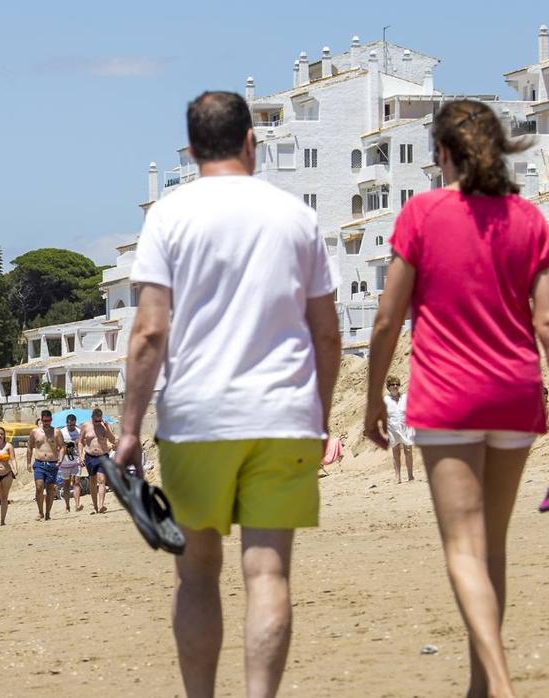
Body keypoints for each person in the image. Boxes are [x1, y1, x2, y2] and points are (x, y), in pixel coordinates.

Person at [363, 99, 549, 698]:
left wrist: (369, 399)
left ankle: (500, 683)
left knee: (463, 548)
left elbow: (387, 319)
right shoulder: (529, 219)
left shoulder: (421, 213)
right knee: (493, 547)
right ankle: (478, 688)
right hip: (516, 393)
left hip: (448, 398)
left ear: (441, 152)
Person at [115, 91, 341, 698]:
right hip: (283, 416)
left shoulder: (169, 214)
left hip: (197, 419)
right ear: (251, 141)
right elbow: (326, 331)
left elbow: (149, 330)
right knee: (268, 572)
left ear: (189, 150)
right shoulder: (296, 216)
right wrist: (318, 415)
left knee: (196, 577)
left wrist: (130, 428)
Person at [26, 410, 64, 521]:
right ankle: (40, 512)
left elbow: (62, 447)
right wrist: (28, 462)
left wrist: (60, 459)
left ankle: (47, 513)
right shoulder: (35, 432)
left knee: (50, 489)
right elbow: (29, 447)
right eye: (44, 421)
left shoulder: (56, 432)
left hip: (52, 464)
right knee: (39, 487)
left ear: (51, 420)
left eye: (48, 421)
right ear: (41, 420)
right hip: (39, 463)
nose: (47, 423)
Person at [79, 408, 117, 515]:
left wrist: (107, 428)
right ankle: (94, 506)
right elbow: (80, 441)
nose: (97, 423)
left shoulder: (105, 426)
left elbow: (113, 440)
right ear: (92, 418)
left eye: (99, 420)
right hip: (90, 456)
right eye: (96, 421)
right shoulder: (86, 426)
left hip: (103, 456)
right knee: (92, 481)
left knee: (102, 480)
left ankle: (101, 505)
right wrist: (81, 456)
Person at [384, 376, 415, 484]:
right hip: (392, 427)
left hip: (406, 426)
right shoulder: (385, 400)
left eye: (397, 384)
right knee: (396, 452)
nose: (395, 386)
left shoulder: (405, 397)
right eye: (392, 384)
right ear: (388, 387)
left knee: (408, 450)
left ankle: (410, 475)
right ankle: (398, 477)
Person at [58, 413, 84, 512]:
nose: (71, 426)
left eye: (73, 425)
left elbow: (82, 444)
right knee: (66, 484)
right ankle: (67, 506)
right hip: (65, 462)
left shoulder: (79, 431)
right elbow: (58, 446)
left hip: (76, 460)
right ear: (67, 423)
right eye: (69, 425)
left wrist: (82, 457)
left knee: (76, 482)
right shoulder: (62, 432)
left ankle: (77, 505)